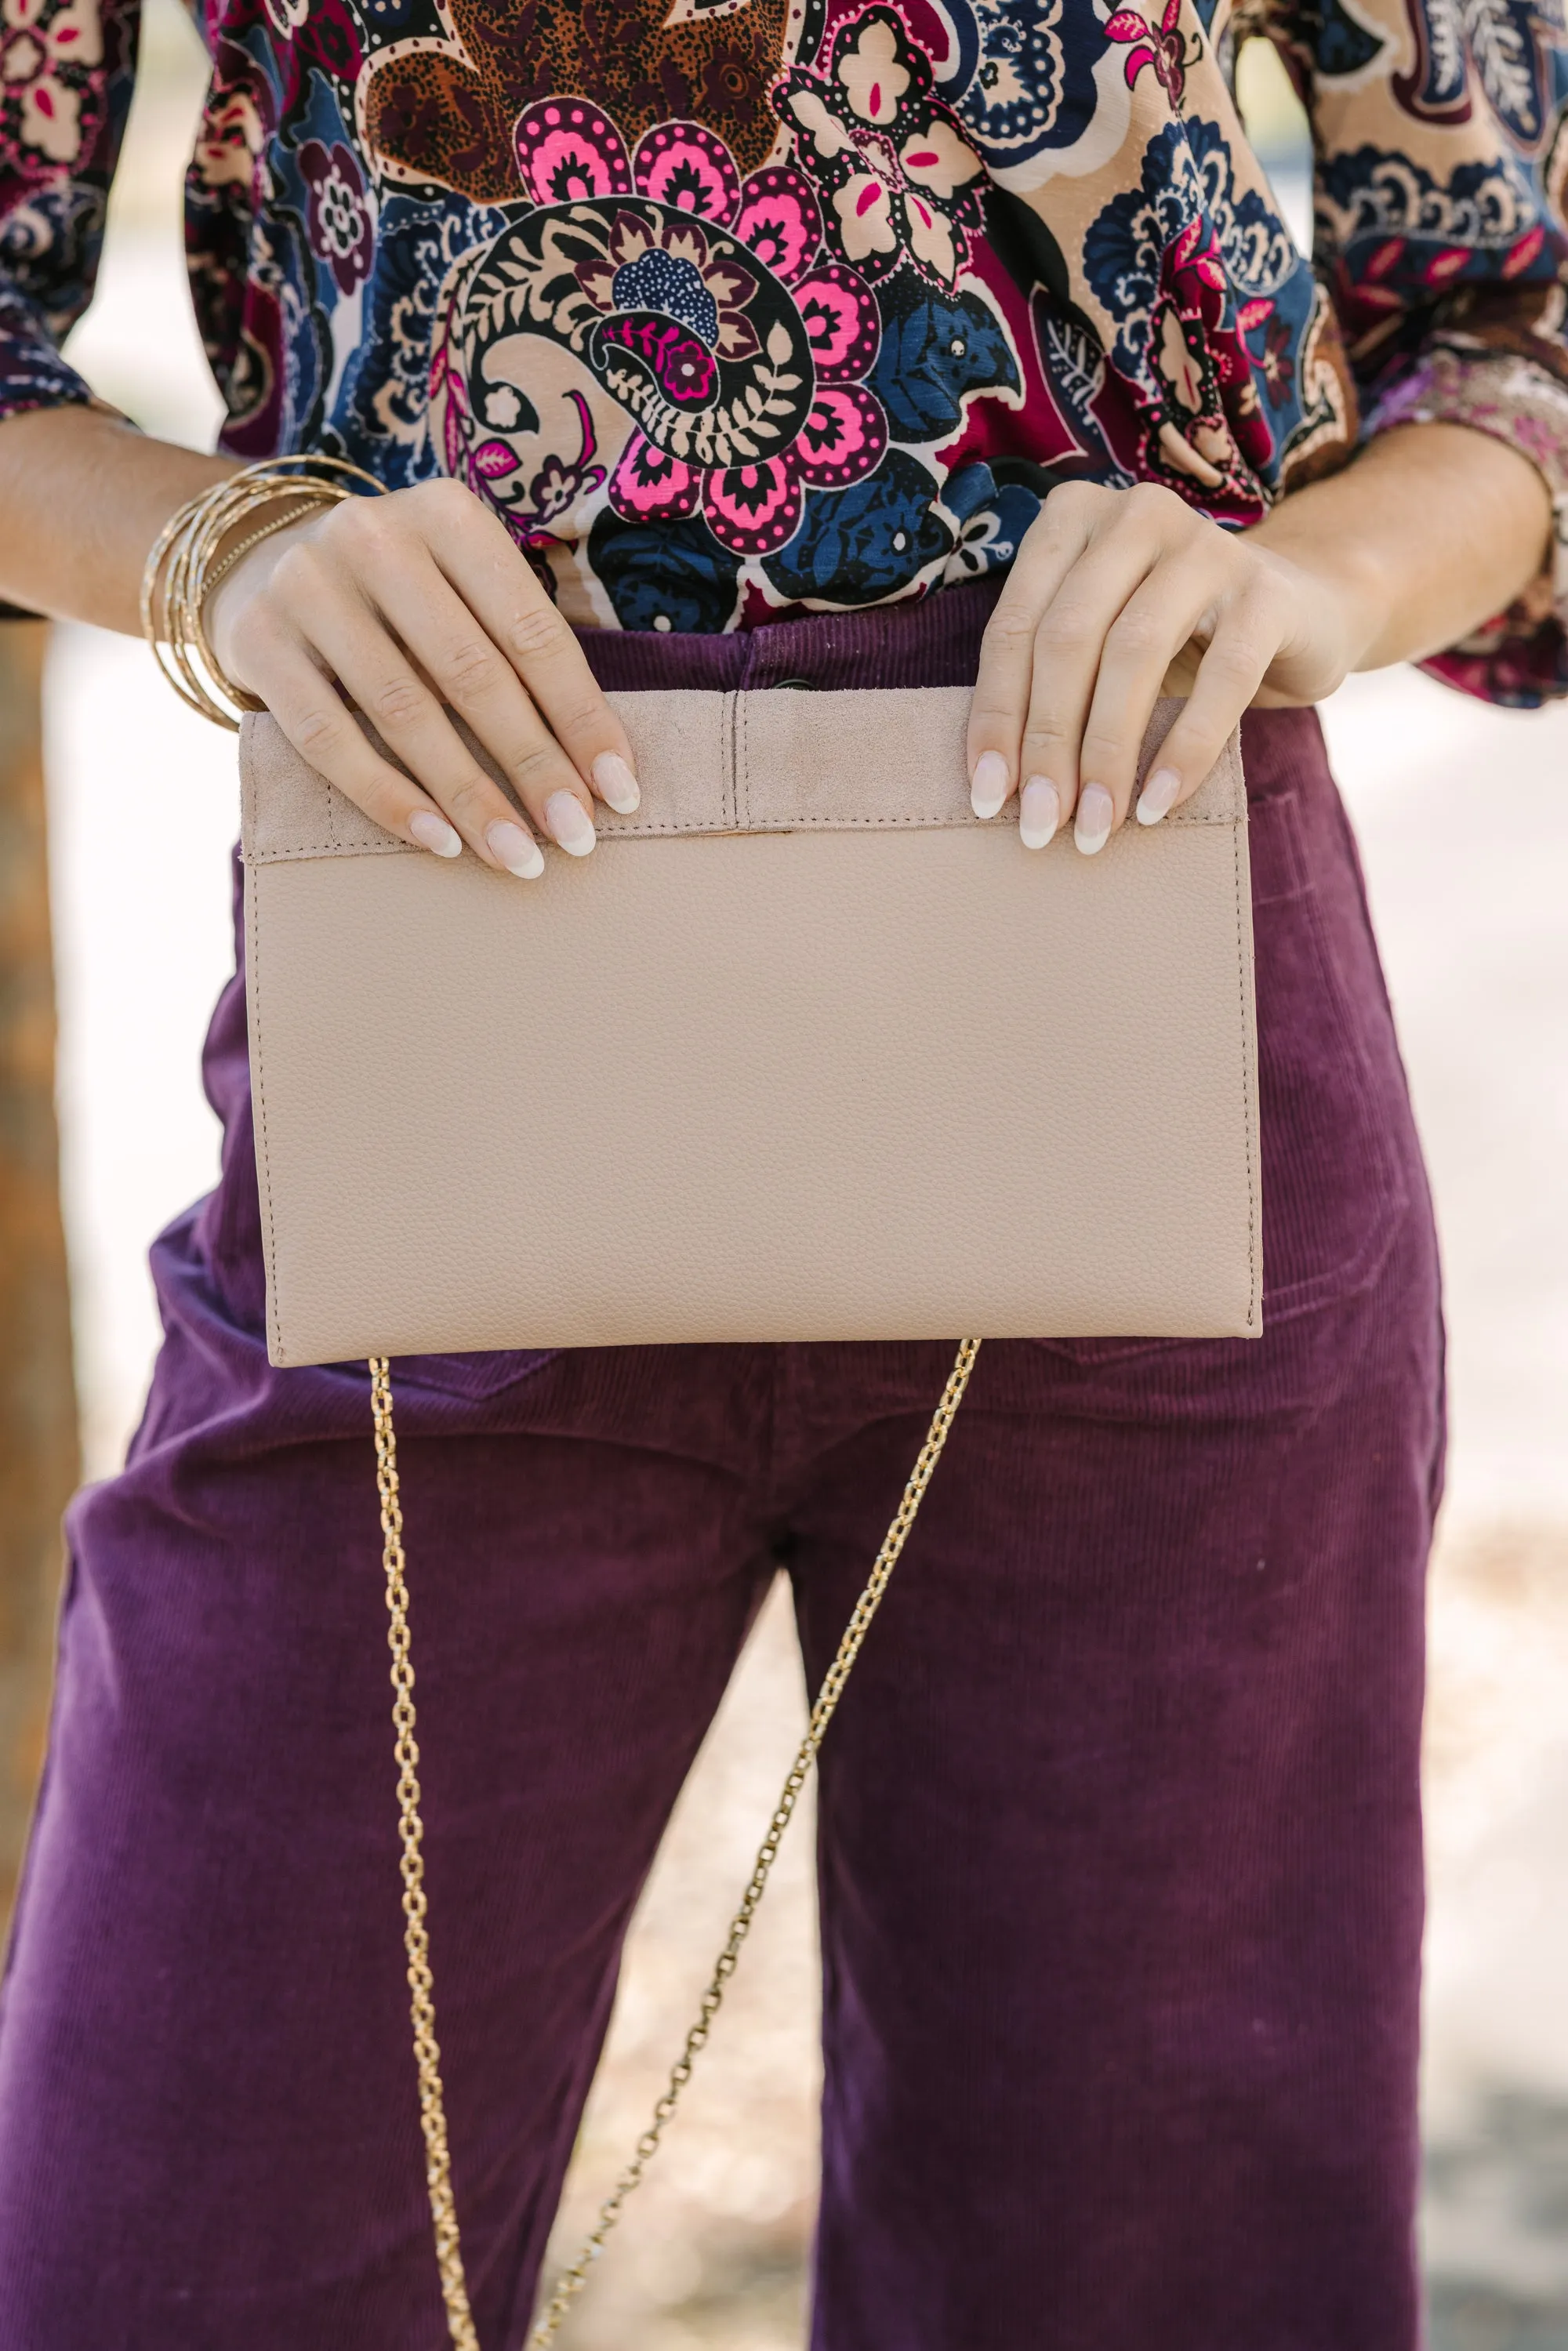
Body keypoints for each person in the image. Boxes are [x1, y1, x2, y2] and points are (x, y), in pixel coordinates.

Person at [0, 0, 1563, 2336]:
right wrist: (219, 552)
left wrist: (1310, 589)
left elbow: (1509, 337)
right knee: (178, 2250)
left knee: (1142, 2280)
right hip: (439, 1012)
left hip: (1133, 1020)